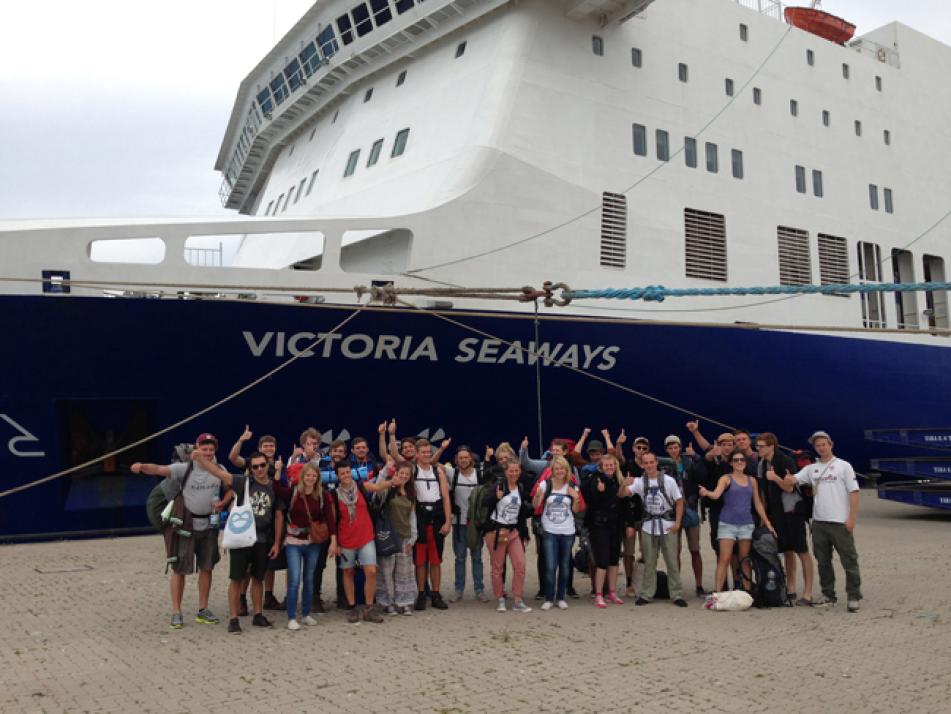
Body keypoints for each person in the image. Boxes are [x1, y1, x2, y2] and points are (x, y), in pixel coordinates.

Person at [132, 433, 227, 629]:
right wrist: (141, 467)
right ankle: (176, 612)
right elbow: (159, 469)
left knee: (207, 567)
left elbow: (234, 485)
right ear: (196, 449)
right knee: (179, 569)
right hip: (186, 527)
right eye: (204, 449)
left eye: (211, 449)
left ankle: (203, 609)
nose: (208, 453)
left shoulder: (220, 470)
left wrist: (224, 502)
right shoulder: (184, 469)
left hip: (209, 526)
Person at [783, 431, 862, 612]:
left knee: (849, 560)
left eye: (824, 444)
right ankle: (828, 594)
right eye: (817, 445)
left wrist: (852, 518)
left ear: (831, 444)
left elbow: (854, 492)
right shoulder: (812, 468)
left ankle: (854, 596)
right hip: (819, 522)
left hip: (840, 521)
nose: (821, 448)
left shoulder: (844, 466)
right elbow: (794, 480)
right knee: (823, 561)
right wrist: (787, 478)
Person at [227, 425, 287, 613]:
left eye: (272, 446)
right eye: (266, 446)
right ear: (260, 448)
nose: (269, 449)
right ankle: (242, 600)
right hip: (246, 525)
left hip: (266, 526)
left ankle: (266, 598)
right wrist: (242, 440)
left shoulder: (277, 467)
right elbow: (232, 458)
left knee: (265, 567)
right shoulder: (251, 462)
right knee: (245, 570)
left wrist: (278, 471)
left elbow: (280, 496)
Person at [699, 450, 774, 594]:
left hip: (746, 523)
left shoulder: (752, 481)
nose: (739, 462)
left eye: (742, 460)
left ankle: (747, 591)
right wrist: (707, 493)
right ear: (731, 463)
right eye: (736, 460)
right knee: (724, 558)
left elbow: (757, 503)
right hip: (727, 523)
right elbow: (716, 494)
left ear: (745, 463)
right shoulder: (726, 478)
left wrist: (767, 522)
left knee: (744, 559)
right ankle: (718, 592)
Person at [757, 432, 815, 605]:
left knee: (802, 551)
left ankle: (808, 593)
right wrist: (765, 515)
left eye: (761, 446)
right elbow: (763, 493)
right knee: (787, 551)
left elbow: (790, 488)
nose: (758, 449)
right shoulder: (762, 464)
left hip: (793, 513)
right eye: (757, 446)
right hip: (777, 514)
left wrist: (775, 478)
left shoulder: (785, 461)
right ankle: (791, 588)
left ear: (771, 446)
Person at [279, 463, 337, 630]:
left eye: (314, 476)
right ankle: (291, 617)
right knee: (295, 580)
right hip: (294, 542)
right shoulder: (293, 493)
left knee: (309, 579)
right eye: (308, 475)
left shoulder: (323, 495)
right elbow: (276, 489)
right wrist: (277, 471)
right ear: (302, 477)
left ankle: (305, 614)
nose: (310, 478)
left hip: (313, 542)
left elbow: (330, 519)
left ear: (318, 477)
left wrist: (333, 540)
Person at [629, 452, 688, 607]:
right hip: (649, 526)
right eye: (645, 463)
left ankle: (676, 594)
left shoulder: (669, 481)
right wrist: (624, 483)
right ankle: (647, 594)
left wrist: (677, 523)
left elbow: (679, 501)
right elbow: (623, 494)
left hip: (667, 525)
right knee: (649, 562)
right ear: (642, 465)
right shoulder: (640, 482)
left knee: (672, 561)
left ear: (656, 463)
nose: (648, 465)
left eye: (651, 462)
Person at [330, 461, 384, 623]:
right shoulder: (334, 494)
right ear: (338, 476)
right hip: (345, 539)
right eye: (342, 474)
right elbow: (333, 520)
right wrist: (335, 543)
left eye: (348, 472)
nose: (346, 476)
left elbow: (378, 487)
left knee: (371, 571)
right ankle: (352, 607)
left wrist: (392, 481)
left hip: (365, 536)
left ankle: (369, 608)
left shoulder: (361, 486)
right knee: (348, 572)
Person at [532, 456, 582, 610]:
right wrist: (538, 495)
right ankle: (548, 597)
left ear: (566, 470)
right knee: (550, 566)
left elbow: (576, 510)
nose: (559, 471)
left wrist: (576, 499)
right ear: (552, 471)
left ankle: (560, 597)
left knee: (565, 566)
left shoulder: (572, 486)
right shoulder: (545, 484)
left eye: (562, 468)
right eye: (556, 469)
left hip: (567, 531)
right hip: (549, 530)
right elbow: (535, 506)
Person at [482, 461, 533, 613]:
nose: (514, 473)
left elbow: (522, 514)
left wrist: (525, 533)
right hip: (496, 531)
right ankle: (500, 598)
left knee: (520, 565)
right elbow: (485, 502)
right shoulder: (499, 485)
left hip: (513, 531)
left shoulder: (520, 488)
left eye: (517, 470)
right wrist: (496, 498)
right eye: (511, 470)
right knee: (498, 567)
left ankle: (517, 599)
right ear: (505, 472)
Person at [582, 453, 629, 608]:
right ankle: (599, 594)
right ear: (601, 467)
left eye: (612, 465)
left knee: (614, 559)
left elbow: (625, 504)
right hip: (599, 524)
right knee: (602, 560)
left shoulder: (619, 480)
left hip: (616, 524)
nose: (609, 468)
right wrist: (598, 491)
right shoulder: (594, 479)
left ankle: (612, 592)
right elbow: (589, 499)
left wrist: (629, 524)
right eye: (606, 465)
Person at [374, 460, 419, 615]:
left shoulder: (411, 493)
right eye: (401, 473)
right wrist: (386, 470)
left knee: (404, 571)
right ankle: (387, 602)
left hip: (404, 536)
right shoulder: (387, 489)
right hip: (388, 536)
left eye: (407, 474)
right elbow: (377, 489)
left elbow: (412, 517)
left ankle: (405, 601)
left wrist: (413, 538)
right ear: (396, 473)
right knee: (386, 570)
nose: (404, 476)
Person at [412, 439, 453, 610]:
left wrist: (448, 521)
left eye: (429, 452)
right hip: (420, 516)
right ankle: (421, 594)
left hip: (436, 516)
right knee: (420, 560)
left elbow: (445, 497)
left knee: (436, 560)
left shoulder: (438, 472)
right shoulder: (413, 471)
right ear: (416, 454)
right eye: (423, 452)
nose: (427, 455)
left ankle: (436, 594)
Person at [664, 435, 707, 597]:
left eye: (676, 447)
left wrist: (695, 456)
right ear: (666, 449)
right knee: (675, 550)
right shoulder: (663, 464)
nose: (674, 450)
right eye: (670, 448)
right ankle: (676, 585)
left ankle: (699, 585)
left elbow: (702, 475)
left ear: (680, 447)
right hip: (672, 512)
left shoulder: (690, 461)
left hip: (690, 509)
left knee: (695, 549)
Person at [446, 445, 488, 603]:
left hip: (475, 523)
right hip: (458, 523)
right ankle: (459, 590)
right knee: (460, 558)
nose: (463, 460)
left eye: (466, 457)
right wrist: (442, 448)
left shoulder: (479, 474)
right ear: (456, 460)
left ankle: (479, 589)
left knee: (477, 557)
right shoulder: (452, 473)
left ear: (471, 458)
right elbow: (434, 463)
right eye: (460, 458)